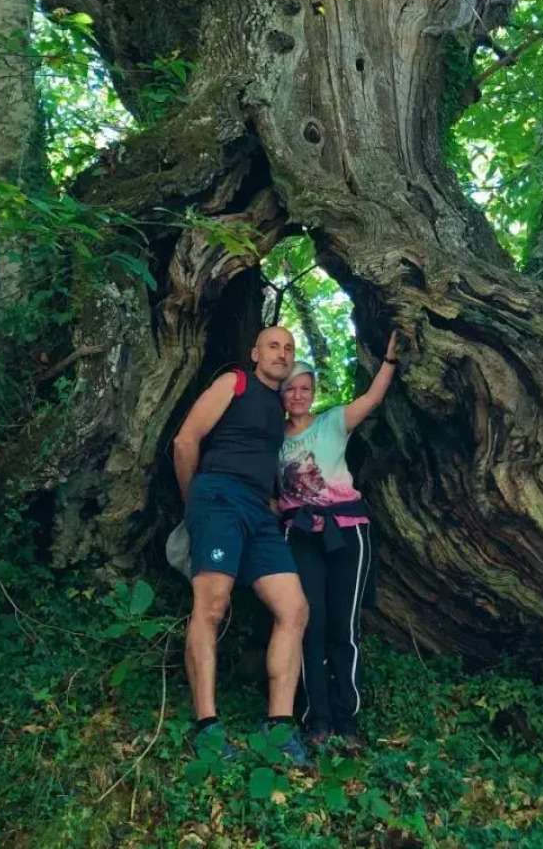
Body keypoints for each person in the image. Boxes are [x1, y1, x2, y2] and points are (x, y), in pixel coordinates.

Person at [172, 325, 310, 766]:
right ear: (255, 351)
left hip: (259, 512)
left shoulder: (280, 406)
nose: (282, 353)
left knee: (294, 609)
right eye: (273, 345)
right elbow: (185, 440)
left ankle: (280, 728)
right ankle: (207, 727)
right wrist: (195, 501)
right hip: (219, 498)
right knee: (211, 607)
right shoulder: (236, 382)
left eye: (289, 348)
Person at [277, 333, 399, 745]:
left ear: (313, 391)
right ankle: (317, 719)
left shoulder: (332, 421)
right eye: (290, 388)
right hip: (302, 535)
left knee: (344, 628)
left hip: (347, 531)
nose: (297, 394)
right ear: (281, 393)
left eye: (304, 387)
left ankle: (347, 721)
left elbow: (372, 399)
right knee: (310, 624)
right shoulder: (272, 438)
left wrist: (390, 360)